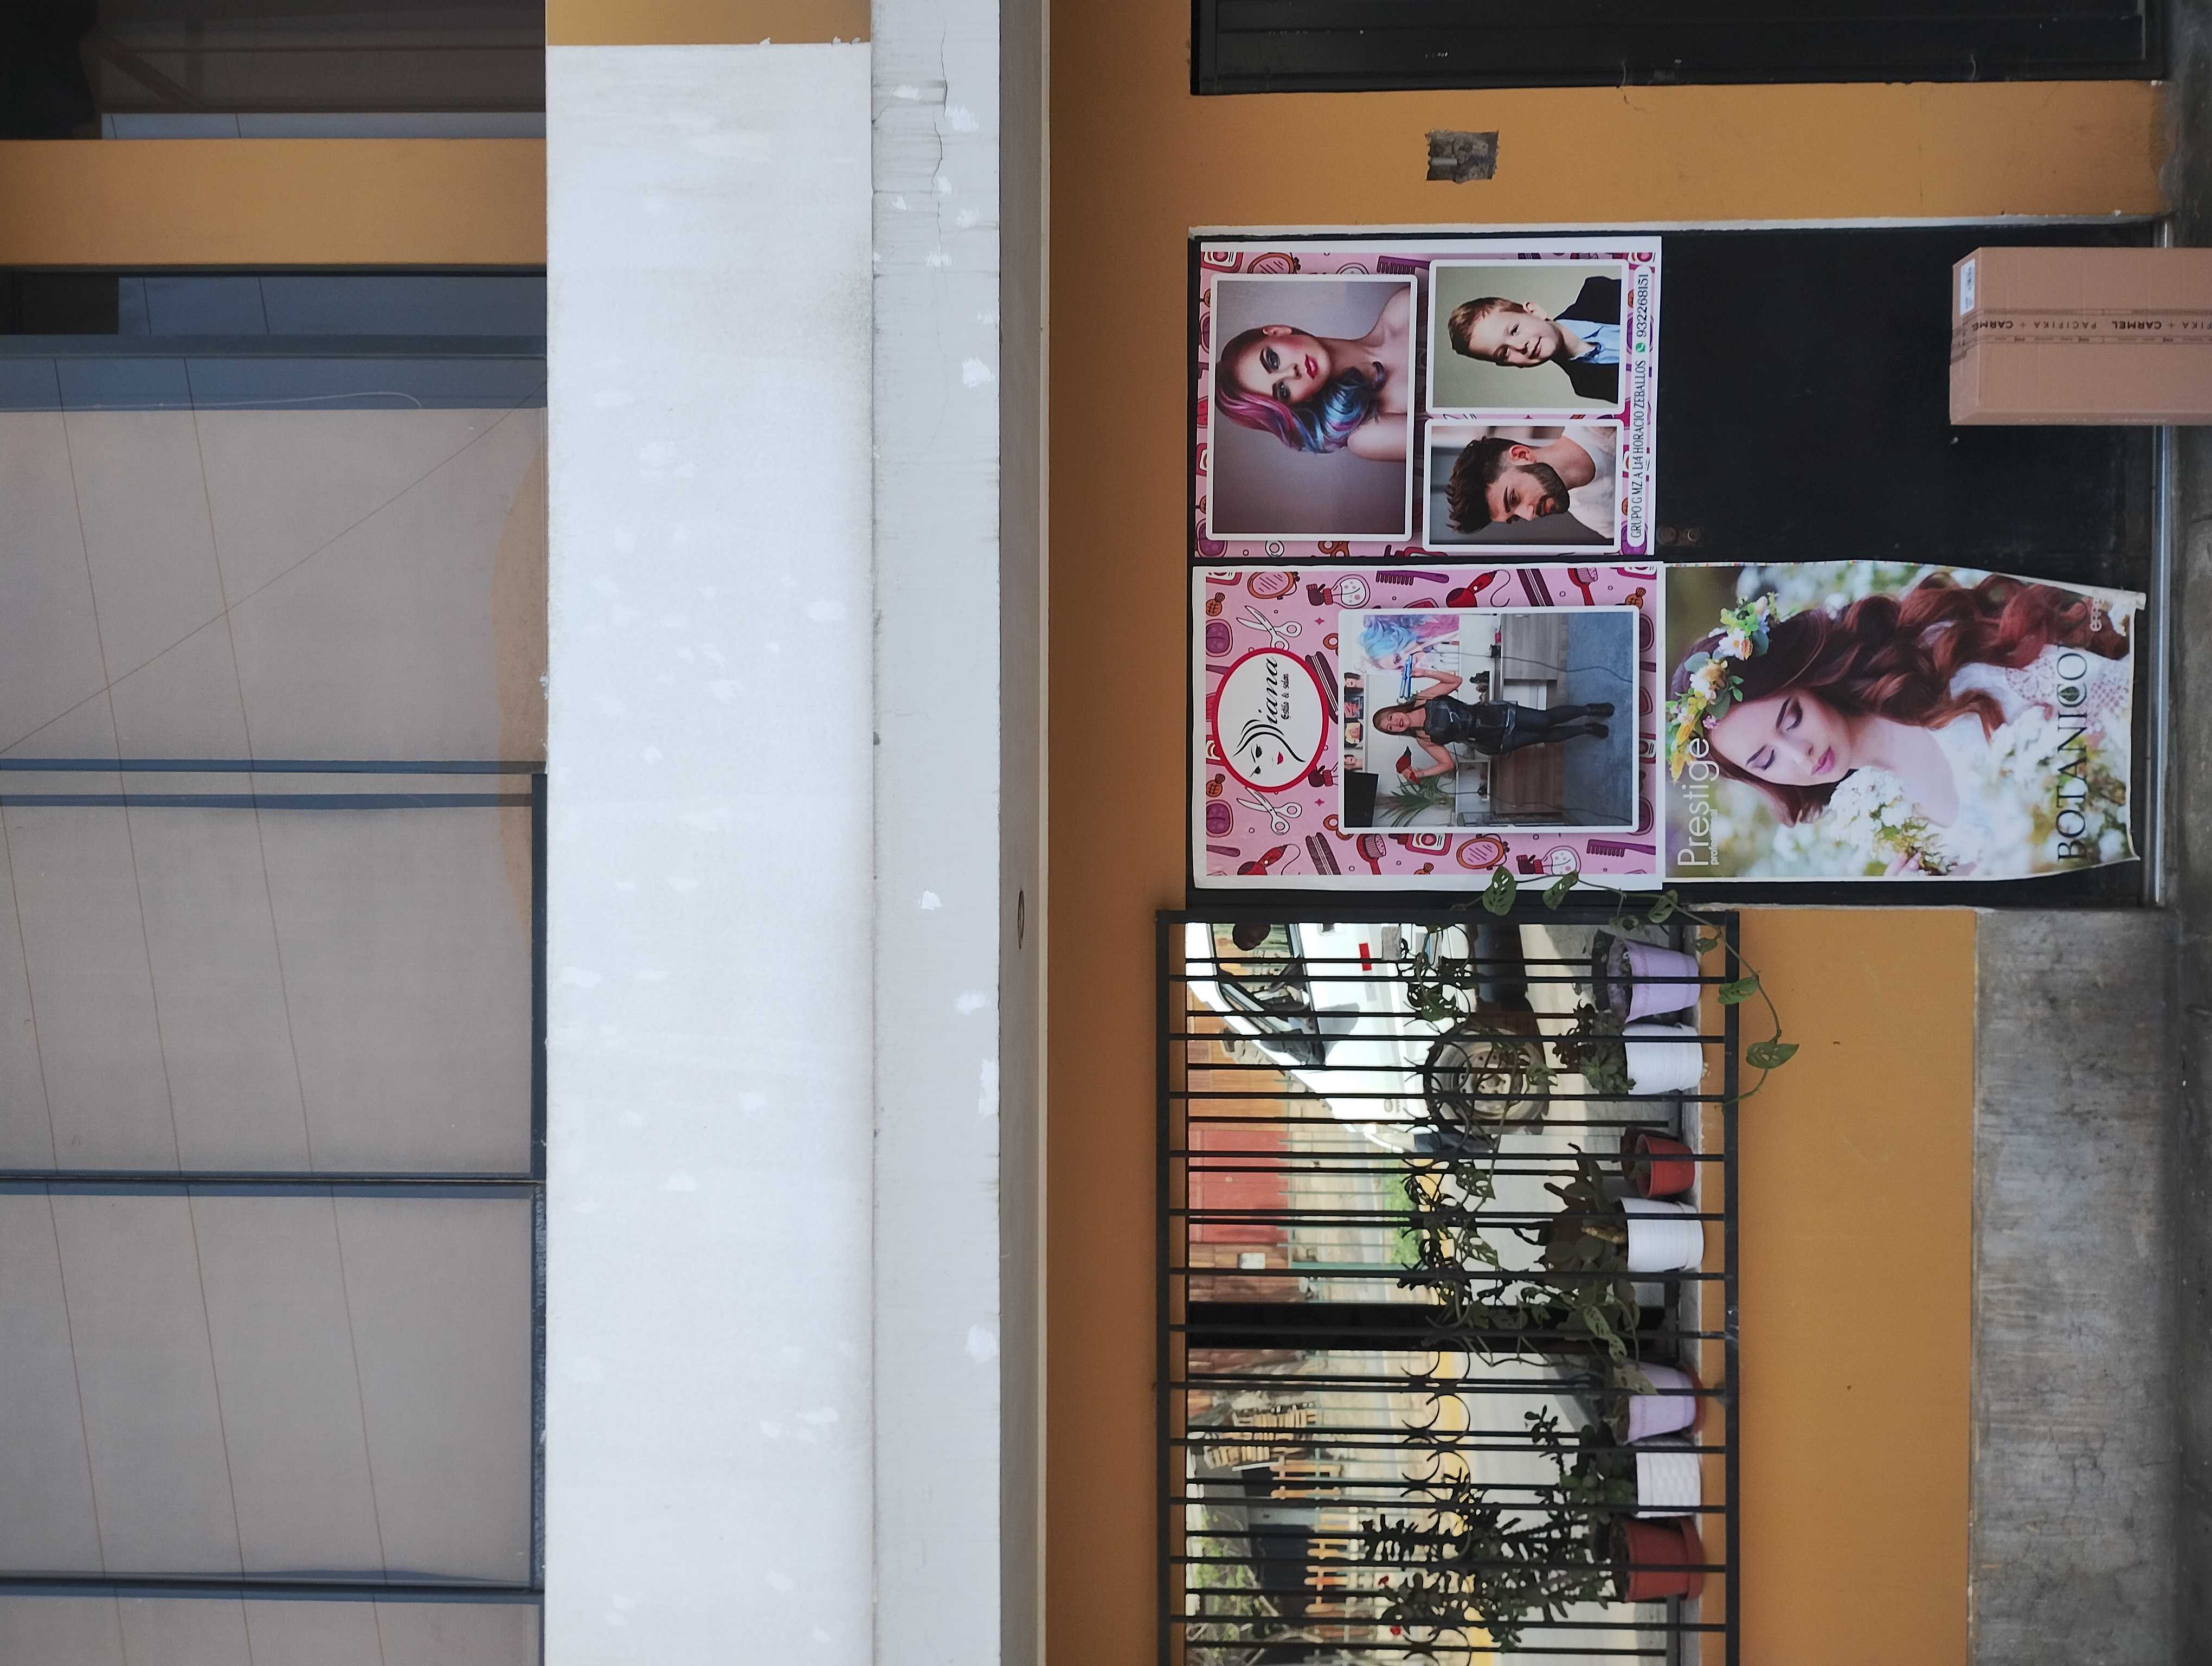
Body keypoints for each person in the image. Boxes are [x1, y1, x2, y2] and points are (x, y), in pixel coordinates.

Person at [1668, 575, 2133, 875]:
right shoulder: (1875, 816)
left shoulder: (1935, 667)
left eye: (1793, 718)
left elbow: (2112, 697)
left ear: (1807, 679)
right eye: (1766, 760)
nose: (1800, 755)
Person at [1216, 285, 1413, 462]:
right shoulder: (1368, 436)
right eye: (1283, 391)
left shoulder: (1403, 307)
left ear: (1277, 331)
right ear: (1301, 401)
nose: (1292, 373)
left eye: (1274, 360)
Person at [1372, 670, 1613, 781]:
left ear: (1394, 711)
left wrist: (1424, 672)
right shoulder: (1424, 740)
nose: (1395, 723)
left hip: (1497, 715)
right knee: (1543, 737)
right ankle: (1586, 729)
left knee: (1545, 720)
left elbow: (1457, 680)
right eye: (1390, 728)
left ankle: (1588, 710)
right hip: (1493, 742)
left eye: (1391, 718)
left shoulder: (1425, 698)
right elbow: (1448, 764)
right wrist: (1421, 773)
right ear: (1395, 732)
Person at [1444, 273, 1623, 406]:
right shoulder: (1586, 385)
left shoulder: (1598, 292)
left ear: (1534, 311)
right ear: (1509, 365)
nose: (1520, 346)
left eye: (1515, 330)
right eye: (1504, 352)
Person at [1443, 422, 1616, 540]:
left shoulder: (1599, 420)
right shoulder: (1597, 519)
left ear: (1522, 455)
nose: (1529, 515)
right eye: (1516, 517)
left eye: (1514, 499)